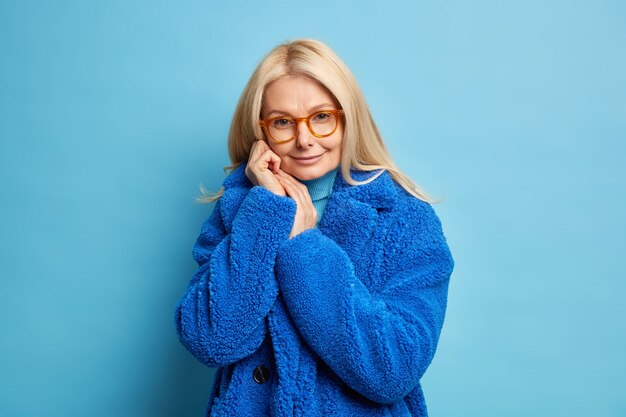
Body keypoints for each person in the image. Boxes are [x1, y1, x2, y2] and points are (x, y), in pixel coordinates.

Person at [174, 38, 455, 417]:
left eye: (322, 117)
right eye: (283, 122)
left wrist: (303, 246)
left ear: (347, 117)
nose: (305, 140)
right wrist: (267, 213)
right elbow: (212, 340)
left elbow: (393, 369)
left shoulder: (404, 218)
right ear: (261, 132)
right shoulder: (240, 210)